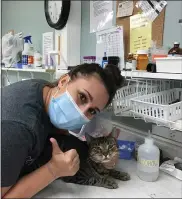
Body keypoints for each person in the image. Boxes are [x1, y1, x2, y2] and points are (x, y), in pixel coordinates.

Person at [1, 63, 124, 198]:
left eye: (92, 110)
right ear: (64, 81)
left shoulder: (45, 89)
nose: (81, 112)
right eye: (82, 97)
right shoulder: (17, 128)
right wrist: (53, 170)